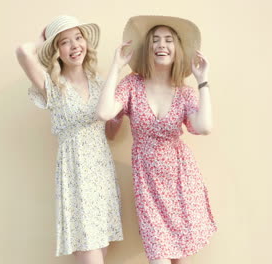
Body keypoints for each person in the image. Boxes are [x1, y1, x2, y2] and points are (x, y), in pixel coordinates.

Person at [97, 15, 217, 264]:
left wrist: (202, 80)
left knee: (178, 259)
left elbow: (204, 127)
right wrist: (115, 68)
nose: (162, 44)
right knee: (159, 259)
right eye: (156, 40)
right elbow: (105, 112)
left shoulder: (184, 92)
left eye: (168, 40)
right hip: (148, 185)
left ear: (176, 49)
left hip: (181, 182)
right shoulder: (132, 84)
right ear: (149, 49)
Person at [15, 15, 123, 264]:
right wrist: (43, 41)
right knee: (91, 255)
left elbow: (111, 134)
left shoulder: (100, 85)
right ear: (56, 50)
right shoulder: (52, 85)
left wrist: (117, 115)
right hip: (75, 176)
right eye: (65, 42)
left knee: (100, 253)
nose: (75, 46)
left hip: (102, 175)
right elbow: (22, 51)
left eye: (78, 38)